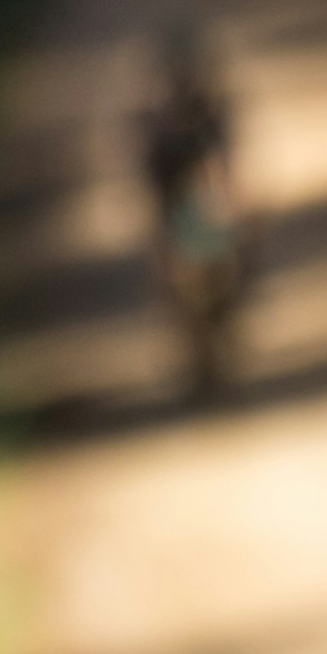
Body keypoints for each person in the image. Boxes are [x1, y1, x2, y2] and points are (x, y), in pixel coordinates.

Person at [135, 21, 250, 399]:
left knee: (220, 284)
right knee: (183, 288)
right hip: (181, 215)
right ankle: (199, 360)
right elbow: (153, 181)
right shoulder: (156, 125)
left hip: (202, 213)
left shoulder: (210, 117)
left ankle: (213, 354)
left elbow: (225, 168)